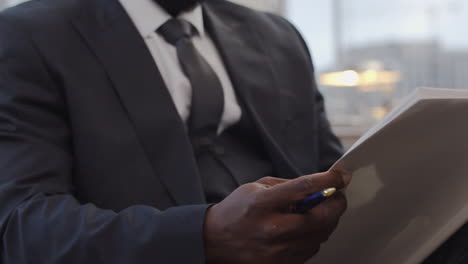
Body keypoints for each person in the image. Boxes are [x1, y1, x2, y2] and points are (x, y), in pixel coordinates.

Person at [0, 0, 350, 263]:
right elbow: (23, 226)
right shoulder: (26, 36)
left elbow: (337, 174)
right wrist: (202, 234)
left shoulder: (279, 37)